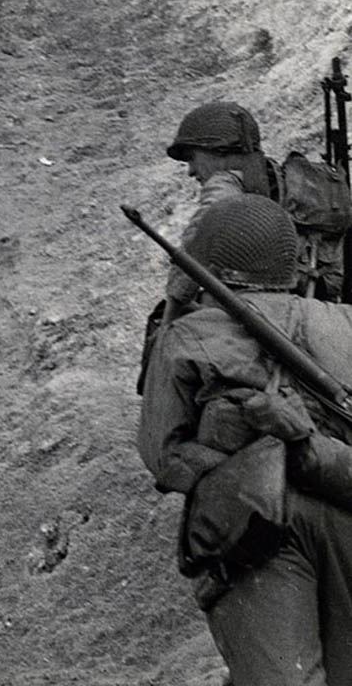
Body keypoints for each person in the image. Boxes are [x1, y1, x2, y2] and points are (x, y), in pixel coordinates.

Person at [138, 194, 352, 686]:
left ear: (209, 265)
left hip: (254, 529)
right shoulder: (342, 323)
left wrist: (234, 451)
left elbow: (161, 455)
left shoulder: (189, 336)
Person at [137, 103, 272, 394]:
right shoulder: (271, 178)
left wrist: (169, 323)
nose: (190, 171)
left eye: (193, 158)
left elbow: (192, 260)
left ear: (219, 153)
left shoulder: (224, 188)